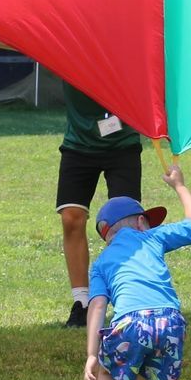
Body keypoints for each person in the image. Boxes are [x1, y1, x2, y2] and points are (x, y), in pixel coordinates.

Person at [82, 163, 191, 380]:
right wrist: (179, 185)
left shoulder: (101, 262)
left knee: (107, 373)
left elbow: (97, 306)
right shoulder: (152, 239)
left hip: (132, 323)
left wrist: (91, 354)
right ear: (140, 222)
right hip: (171, 321)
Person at [57, 83, 143, 329]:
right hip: (78, 145)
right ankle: (82, 304)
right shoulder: (69, 46)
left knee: (126, 225)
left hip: (122, 143)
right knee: (71, 217)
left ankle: (129, 300)